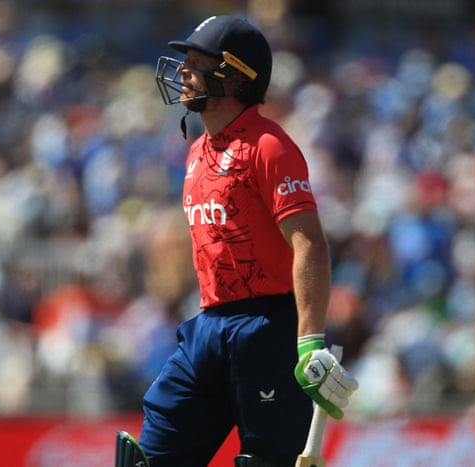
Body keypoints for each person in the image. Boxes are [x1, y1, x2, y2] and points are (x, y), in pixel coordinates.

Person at [116, 14, 358, 467]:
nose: (182, 70)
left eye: (196, 61)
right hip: (207, 326)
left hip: (267, 329)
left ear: (234, 74)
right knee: (145, 460)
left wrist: (309, 342)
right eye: (183, 60)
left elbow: (309, 243)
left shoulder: (270, 146)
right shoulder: (196, 151)